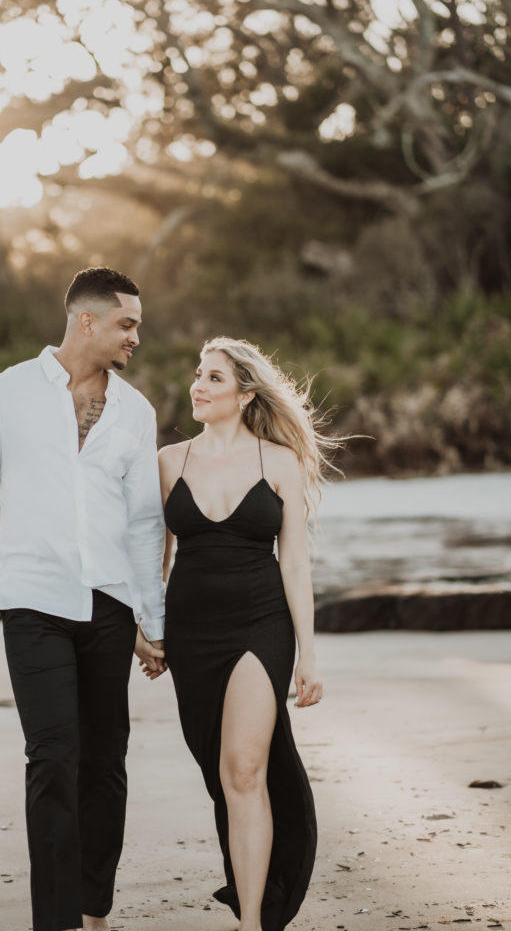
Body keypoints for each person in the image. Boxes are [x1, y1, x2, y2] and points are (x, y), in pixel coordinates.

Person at [0, 267, 166, 931]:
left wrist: (153, 620)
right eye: (127, 324)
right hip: (33, 602)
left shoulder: (136, 410)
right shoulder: (4, 392)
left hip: (110, 607)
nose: (135, 338)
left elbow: (146, 523)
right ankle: (57, 921)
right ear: (86, 320)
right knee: (51, 756)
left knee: (105, 762)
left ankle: (94, 910)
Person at [154, 336, 335, 931]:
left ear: (245, 393)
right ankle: (252, 887)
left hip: (263, 625)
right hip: (190, 633)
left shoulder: (278, 462)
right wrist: (147, 633)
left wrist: (308, 655)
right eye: (198, 375)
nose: (197, 387)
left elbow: (295, 563)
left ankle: (253, 920)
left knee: (243, 768)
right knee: (219, 774)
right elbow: (152, 558)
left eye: (213, 378)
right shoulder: (168, 462)